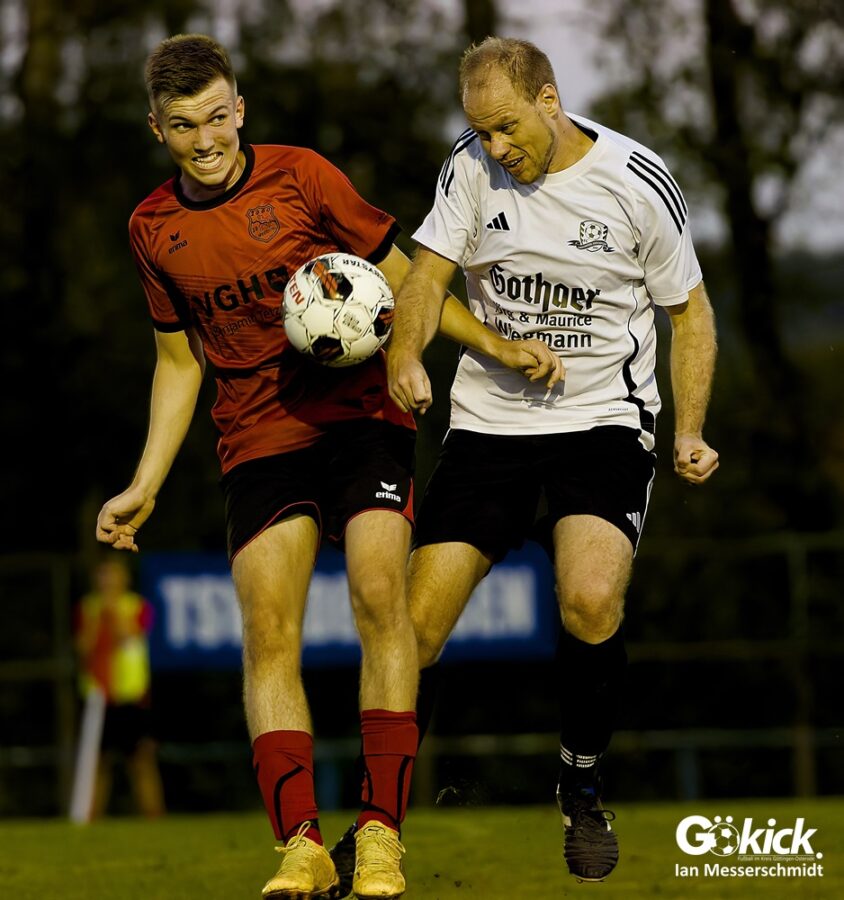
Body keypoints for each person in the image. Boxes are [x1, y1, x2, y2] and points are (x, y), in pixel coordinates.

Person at [95, 33, 558, 900]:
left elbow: (407, 277)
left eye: (218, 117)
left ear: (241, 110)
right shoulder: (152, 229)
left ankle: (380, 836)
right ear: (157, 129)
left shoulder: (304, 176)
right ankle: (301, 846)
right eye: (184, 125)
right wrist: (144, 483)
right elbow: (178, 362)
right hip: (257, 441)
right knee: (269, 630)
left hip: (362, 420)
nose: (206, 140)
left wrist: (493, 344)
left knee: (381, 596)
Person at [387, 37, 719, 884]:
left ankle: (581, 783)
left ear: (548, 99)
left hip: (604, 419)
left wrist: (688, 429)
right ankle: (378, 822)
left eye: (506, 127)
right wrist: (406, 354)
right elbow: (425, 277)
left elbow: (690, 313)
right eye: (481, 131)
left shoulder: (637, 181)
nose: (496, 147)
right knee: (412, 629)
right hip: (490, 426)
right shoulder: (468, 168)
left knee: (591, 597)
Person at [74, 556, 166, 819]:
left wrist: (112, 610)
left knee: (140, 758)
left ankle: (154, 816)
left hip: (130, 694)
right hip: (97, 696)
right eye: (103, 575)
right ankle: (89, 817)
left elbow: (128, 633)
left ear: (124, 578)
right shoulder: (87, 608)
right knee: (97, 760)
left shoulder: (138, 606)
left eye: (113, 575)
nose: (108, 581)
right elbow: (83, 646)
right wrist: (97, 618)